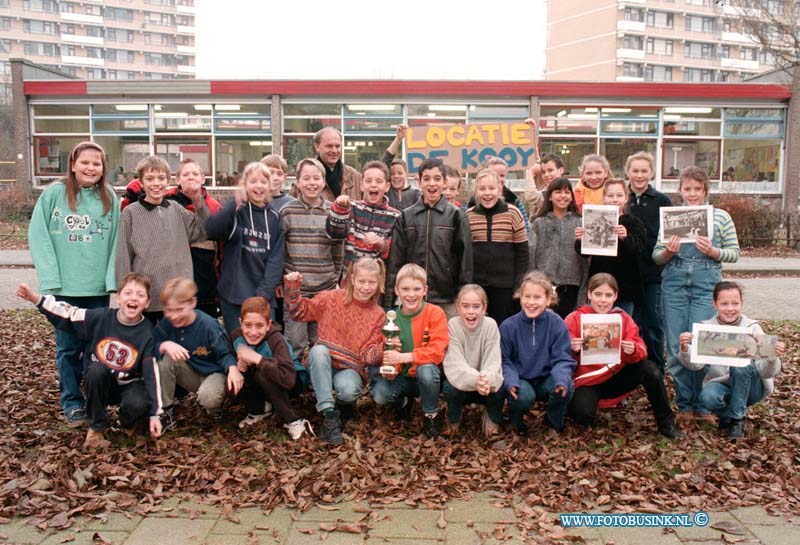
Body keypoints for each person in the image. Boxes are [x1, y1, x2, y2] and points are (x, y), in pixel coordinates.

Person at [28, 141, 119, 428]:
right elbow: (39, 236)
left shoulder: (109, 197)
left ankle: (94, 398)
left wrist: (110, 281)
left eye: (97, 163)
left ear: (103, 168)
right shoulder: (55, 194)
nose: (91, 168)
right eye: (85, 162)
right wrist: (50, 281)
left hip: (96, 291)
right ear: (73, 164)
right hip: (64, 289)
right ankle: (72, 402)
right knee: (67, 349)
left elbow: (117, 240)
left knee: (94, 351)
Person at [16, 274, 163, 448]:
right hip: (101, 382)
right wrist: (36, 298)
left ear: (147, 303)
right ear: (118, 297)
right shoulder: (100, 318)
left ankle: (129, 421)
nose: (133, 298)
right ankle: (97, 427)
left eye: (140, 295)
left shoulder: (149, 333)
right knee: (95, 370)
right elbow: (68, 314)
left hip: (129, 384)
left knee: (138, 402)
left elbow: (152, 374)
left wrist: (155, 414)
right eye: (128, 292)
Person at [654, 166, 740, 425]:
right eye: (687, 188)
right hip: (675, 281)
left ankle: (702, 404)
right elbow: (656, 257)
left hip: (706, 283)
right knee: (677, 345)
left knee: (702, 343)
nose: (692, 194)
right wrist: (668, 252)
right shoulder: (671, 218)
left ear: (705, 191)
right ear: (680, 190)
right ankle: (684, 403)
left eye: (697, 189)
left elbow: (734, 253)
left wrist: (714, 252)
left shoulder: (720, 217)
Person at [565, 273, 684, 439]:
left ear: (615, 296)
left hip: (616, 377)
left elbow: (641, 349)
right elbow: (559, 355)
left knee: (650, 369)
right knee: (582, 416)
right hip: (588, 381)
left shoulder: (623, 318)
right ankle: (580, 406)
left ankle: (667, 423)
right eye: (598, 294)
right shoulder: (575, 318)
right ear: (589, 294)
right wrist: (572, 348)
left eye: (608, 295)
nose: (603, 300)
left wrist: (633, 350)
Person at [284, 258, 385, 444]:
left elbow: (367, 355)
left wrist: (385, 347)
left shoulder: (378, 314)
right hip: (323, 363)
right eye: (362, 281)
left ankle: (344, 404)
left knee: (348, 390)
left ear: (378, 282)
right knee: (318, 351)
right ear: (352, 279)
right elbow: (299, 313)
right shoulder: (331, 298)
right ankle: (329, 417)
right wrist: (293, 287)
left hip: (350, 368)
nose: (366, 287)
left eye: (371, 282)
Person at [678, 281, 785, 440]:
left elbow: (767, 371)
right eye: (724, 303)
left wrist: (772, 356)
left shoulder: (753, 328)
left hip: (751, 386)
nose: (730, 308)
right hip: (722, 385)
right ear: (715, 304)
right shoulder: (707, 329)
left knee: (740, 365)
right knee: (708, 397)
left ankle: (736, 420)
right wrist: (685, 349)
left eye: (735, 303)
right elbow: (694, 366)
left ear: (742, 303)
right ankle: (728, 416)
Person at [115, 155, 209, 323]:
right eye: (150, 179)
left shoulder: (177, 209)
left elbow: (202, 231)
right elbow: (123, 255)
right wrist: (124, 291)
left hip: (176, 295)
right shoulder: (130, 213)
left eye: (161, 178)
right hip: (146, 295)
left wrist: (198, 202)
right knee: (148, 345)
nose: (156, 183)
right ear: (141, 182)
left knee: (176, 346)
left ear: (168, 181)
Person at [386, 158, 472, 318]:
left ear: (445, 182)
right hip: (412, 296)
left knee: (444, 341)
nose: (432, 184)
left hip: (447, 298)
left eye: (437, 179)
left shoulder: (456, 215)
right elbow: (395, 260)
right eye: (426, 178)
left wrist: (463, 295)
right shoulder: (406, 217)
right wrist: (390, 301)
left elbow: (465, 260)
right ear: (419, 182)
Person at [205, 161, 285, 335]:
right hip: (233, 295)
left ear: (270, 186)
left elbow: (276, 261)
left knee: (264, 348)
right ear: (244, 185)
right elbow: (211, 229)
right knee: (237, 345)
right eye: (253, 181)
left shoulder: (275, 218)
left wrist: (262, 295)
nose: (258, 186)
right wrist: (234, 201)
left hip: (262, 297)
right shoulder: (236, 211)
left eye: (263, 182)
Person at [154, 278, 244, 428]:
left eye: (180, 309)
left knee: (208, 397)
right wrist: (164, 344)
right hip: (190, 372)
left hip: (214, 373)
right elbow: (150, 345)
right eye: (169, 310)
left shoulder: (208, 325)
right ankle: (166, 411)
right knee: (164, 356)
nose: (174, 315)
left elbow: (225, 354)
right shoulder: (167, 323)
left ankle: (215, 409)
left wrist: (233, 369)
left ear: (192, 303)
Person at [373, 263, 448, 439]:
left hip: (428, 376)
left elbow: (437, 351)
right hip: (404, 377)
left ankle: (431, 416)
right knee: (380, 395)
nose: (411, 294)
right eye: (405, 289)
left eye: (416, 289)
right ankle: (404, 403)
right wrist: (392, 368)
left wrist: (405, 356)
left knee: (426, 370)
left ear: (425, 290)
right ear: (397, 290)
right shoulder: (391, 318)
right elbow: (389, 349)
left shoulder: (435, 313)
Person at [499, 271, 575, 436]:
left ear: (548, 300)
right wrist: (511, 381)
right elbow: (505, 360)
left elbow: (562, 358)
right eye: (527, 297)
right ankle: (517, 423)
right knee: (522, 395)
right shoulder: (508, 326)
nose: (531, 302)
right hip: (521, 379)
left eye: (537, 297)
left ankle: (554, 421)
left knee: (566, 386)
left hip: (547, 378)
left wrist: (561, 379)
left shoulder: (557, 324)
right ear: (520, 298)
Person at [281, 158, 343, 356]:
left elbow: (338, 250)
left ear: (324, 181)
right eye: (306, 178)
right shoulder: (287, 212)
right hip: (296, 291)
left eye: (316, 178)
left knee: (321, 343)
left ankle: (316, 384)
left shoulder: (333, 211)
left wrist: (334, 277)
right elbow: (280, 251)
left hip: (324, 289)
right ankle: (296, 384)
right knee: (295, 342)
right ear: (297, 182)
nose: (311, 183)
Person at [232, 296, 313, 440]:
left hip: (291, 381)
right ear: (240, 323)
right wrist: (236, 367)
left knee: (265, 371)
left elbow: (288, 378)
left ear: (268, 325)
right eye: (248, 325)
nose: (253, 331)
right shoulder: (236, 337)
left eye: (259, 325)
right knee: (232, 375)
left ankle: (293, 420)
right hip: (261, 381)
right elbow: (227, 356)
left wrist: (257, 359)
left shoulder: (276, 339)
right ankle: (259, 409)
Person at [626, 151, 673, 370]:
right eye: (635, 170)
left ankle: (656, 369)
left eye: (644, 171)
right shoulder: (620, 198)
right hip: (626, 273)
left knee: (653, 323)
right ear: (628, 172)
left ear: (652, 173)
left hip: (654, 272)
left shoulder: (662, 201)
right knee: (629, 324)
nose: (639, 175)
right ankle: (630, 369)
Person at [576, 178, 647, 315]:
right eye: (610, 195)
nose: (615, 199)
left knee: (622, 323)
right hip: (599, 280)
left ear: (626, 198)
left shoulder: (633, 222)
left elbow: (639, 248)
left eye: (619, 195)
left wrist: (626, 237)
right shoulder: (594, 218)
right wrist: (580, 240)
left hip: (625, 285)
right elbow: (584, 253)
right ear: (603, 197)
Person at [466, 168, 528, 324]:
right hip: (477, 284)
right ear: (476, 192)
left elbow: (522, 252)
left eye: (492, 188)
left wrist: (519, 284)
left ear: (500, 189)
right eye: (482, 189)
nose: (487, 193)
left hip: (505, 287)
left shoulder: (513, 213)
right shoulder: (469, 215)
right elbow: (464, 253)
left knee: (503, 326)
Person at [442, 284, 504, 438]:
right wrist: (476, 378)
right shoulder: (453, 325)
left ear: (484, 308)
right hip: (462, 381)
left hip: (485, 384)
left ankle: (491, 418)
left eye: (476, 307)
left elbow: (493, 360)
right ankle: (454, 418)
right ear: (458, 307)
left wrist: (485, 379)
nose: (471, 312)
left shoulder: (490, 325)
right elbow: (455, 362)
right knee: (449, 388)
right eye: (465, 306)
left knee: (500, 385)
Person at [165, 158, 222, 318]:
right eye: (186, 174)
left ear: (203, 179)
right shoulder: (166, 202)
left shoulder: (213, 206)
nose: (191, 177)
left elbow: (221, 245)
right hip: (173, 273)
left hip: (204, 276)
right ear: (177, 179)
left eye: (195, 174)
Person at [326, 160, 400, 271]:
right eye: (368, 181)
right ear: (361, 185)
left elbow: (397, 251)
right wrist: (339, 208)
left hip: (377, 280)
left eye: (379, 181)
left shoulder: (395, 216)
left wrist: (381, 243)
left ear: (387, 186)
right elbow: (334, 234)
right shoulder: (351, 207)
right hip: (349, 278)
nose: (373, 185)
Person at [529, 177, 587, 319]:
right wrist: (532, 280)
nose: (563, 196)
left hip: (571, 283)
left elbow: (586, 259)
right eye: (558, 192)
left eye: (567, 192)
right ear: (549, 197)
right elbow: (531, 253)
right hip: (544, 283)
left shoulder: (580, 222)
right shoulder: (539, 223)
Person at [291, 127, 362, 202]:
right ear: (317, 147)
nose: (334, 150)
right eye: (329, 146)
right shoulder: (301, 182)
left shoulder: (355, 177)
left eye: (337, 146)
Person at [467, 157, 529, 231]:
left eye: (502, 175)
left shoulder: (515, 201)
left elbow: (526, 230)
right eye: (494, 174)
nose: (498, 178)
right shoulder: (472, 203)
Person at [382, 123, 421, 210]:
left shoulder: (415, 194)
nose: (396, 176)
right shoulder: (386, 193)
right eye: (392, 174)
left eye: (400, 173)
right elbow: (385, 161)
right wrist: (398, 139)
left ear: (406, 174)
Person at [525, 152, 564, 220]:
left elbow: (531, 196)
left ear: (561, 170)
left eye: (550, 170)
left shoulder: (562, 190)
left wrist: (530, 172)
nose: (546, 175)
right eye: (543, 172)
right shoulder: (545, 188)